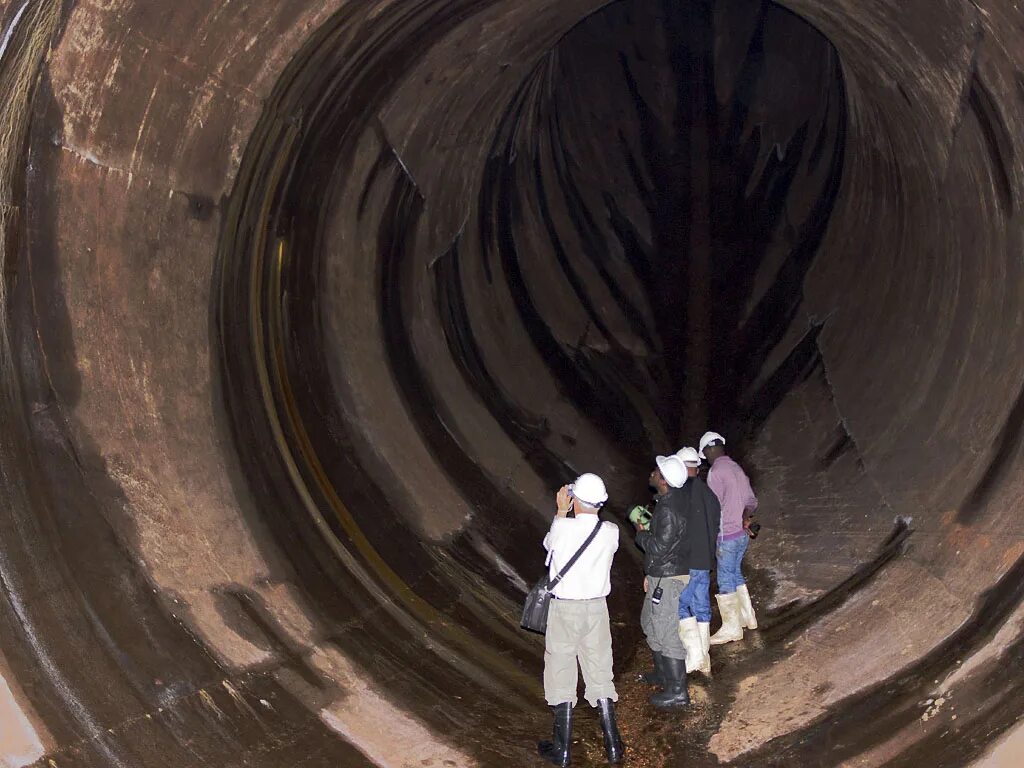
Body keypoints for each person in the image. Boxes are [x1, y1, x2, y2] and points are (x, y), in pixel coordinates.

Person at [538, 473, 625, 766]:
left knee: (561, 668)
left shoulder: (563, 528)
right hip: (597, 608)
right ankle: (614, 744)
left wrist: (562, 510)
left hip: (566, 609)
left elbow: (549, 547)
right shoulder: (611, 531)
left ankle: (562, 750)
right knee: (600, 669)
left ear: (576, 499)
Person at [634, 455, 691, 708]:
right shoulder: (670, 501)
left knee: (667, 631)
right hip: (660, 574)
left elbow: (658, 547)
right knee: (649, 621)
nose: (653, 473)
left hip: (667, 578)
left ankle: (678, 692)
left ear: (664, 480)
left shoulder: (668, 509)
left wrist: (640, 534)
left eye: (657, 471)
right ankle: (663, 674)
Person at [699, 431, 759, 645]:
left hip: (727, 536)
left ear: (707, 450)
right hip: (741, 534)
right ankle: (748, 617)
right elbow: (751, 500)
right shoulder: (736, 467)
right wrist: (744, 517)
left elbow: (713, 508)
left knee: (725, 579)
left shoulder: (715, 472)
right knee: (735, 574)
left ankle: (732, 628)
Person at [674, 447, 720, 675]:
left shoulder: (681, 494)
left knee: (681, 604)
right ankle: (704, 655)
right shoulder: (708, 493)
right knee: (701, 605)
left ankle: (695, 657)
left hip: (688, 560)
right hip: (705, 559)